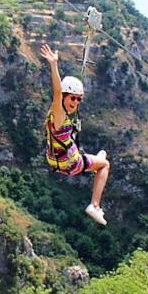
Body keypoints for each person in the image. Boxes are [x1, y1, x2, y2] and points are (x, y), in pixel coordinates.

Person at [40, 43, 111, 225]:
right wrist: (54, 65)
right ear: (64, 96)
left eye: (79, 99)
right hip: (72, 163)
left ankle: (96, 157)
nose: (76, 102)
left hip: (58, 161)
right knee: (104, 165)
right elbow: (57, 92)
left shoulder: (56, 117)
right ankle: (94, 205)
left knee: (98, 157)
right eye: (72, 98)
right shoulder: (59, 113)